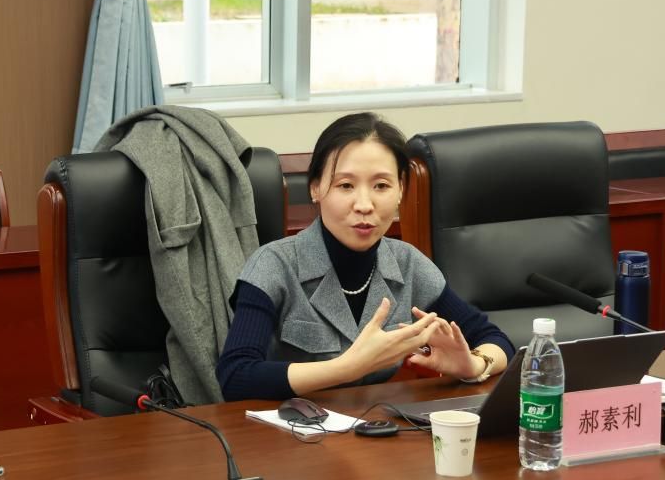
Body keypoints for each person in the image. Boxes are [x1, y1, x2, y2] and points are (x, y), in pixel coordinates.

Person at [216, 112, 514, 400]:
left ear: (401, 190)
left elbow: (496, 340)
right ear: (315, 188)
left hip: (374, 425)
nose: (364, 205)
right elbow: (236, 376)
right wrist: (347, 368)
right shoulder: (273, 264)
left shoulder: (408, 263)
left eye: (381, 186)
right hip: (289, 427)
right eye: (346, 185)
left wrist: (475, 365)